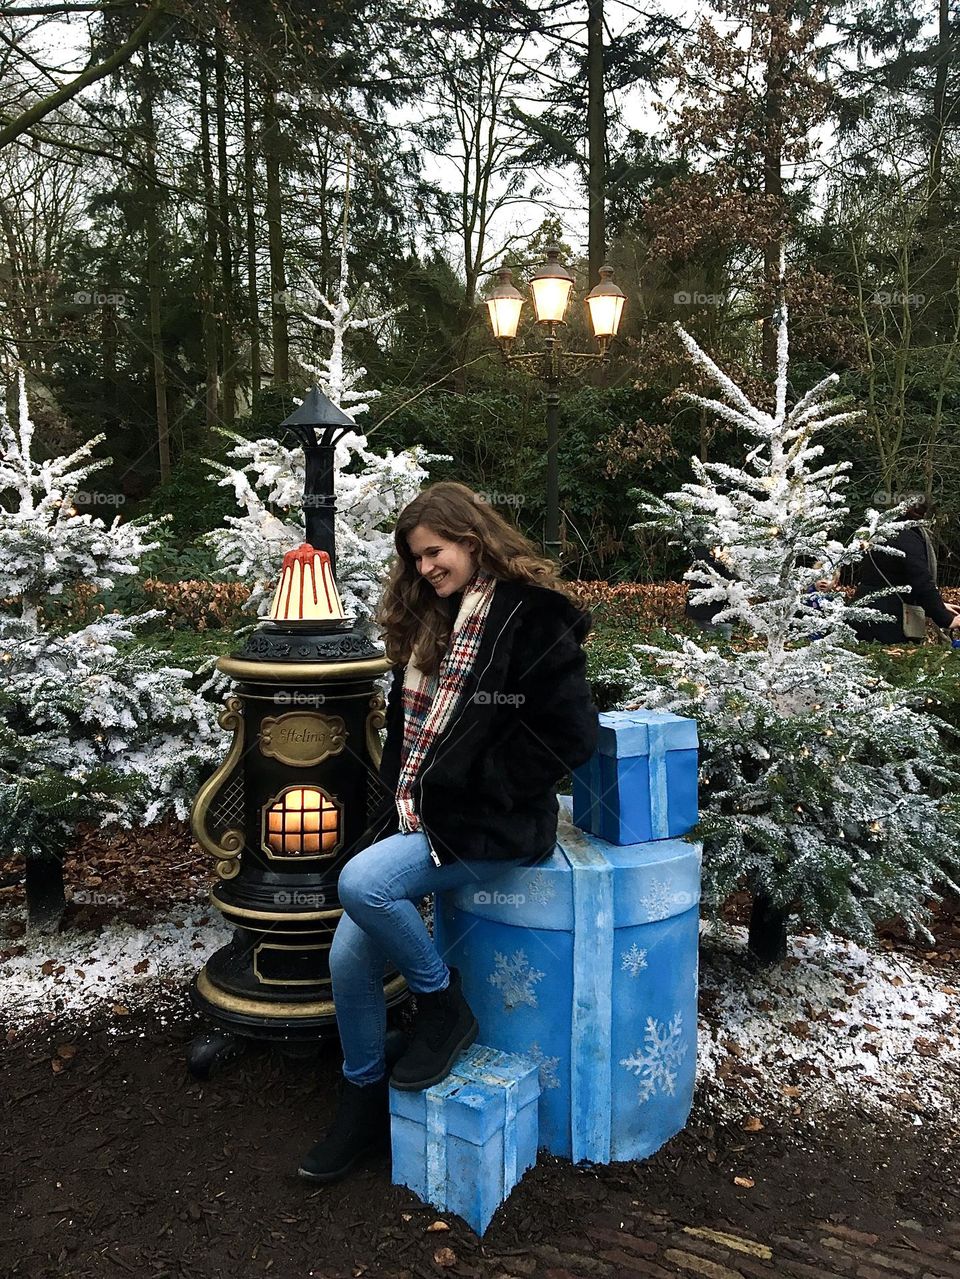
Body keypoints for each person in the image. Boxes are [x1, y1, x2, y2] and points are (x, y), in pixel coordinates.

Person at [298, 481, 600, 1183]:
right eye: (416, 557)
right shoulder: (433, 618)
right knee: (348, 957)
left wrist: (483, 784)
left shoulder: (532, 616)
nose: (426, 567)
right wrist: (401, 802)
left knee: (362, 883)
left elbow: (572, 734)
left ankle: (441, 1003)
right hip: (423, 818)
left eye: (435, 551)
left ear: (471, 539)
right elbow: (408, 741)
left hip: (493, 825)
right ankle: (363, 1096)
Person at [851, 495, 960, 644]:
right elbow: (921, 582)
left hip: (864, 610)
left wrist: (939, 606)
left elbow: (891, 578)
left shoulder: (880, 532)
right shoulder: (907, 537)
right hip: (889, 620)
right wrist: (946, 619)